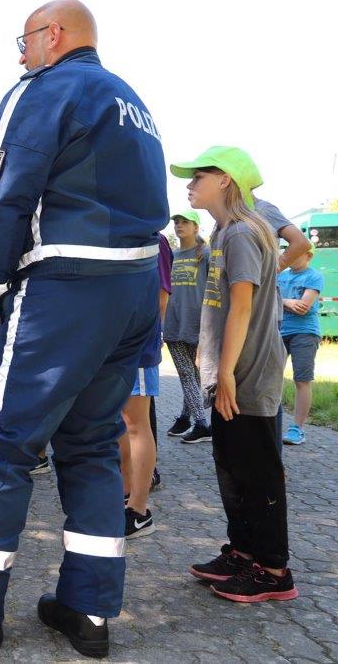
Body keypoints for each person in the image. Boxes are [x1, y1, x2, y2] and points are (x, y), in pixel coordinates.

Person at [0, 0, 168, 657]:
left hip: (67, 288)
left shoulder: (45, 89)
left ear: (54, 35)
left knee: (4, 443)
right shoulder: (134, 102)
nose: (21, 55)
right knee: (93, 445)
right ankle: (89, 611)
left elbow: (5, 191)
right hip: (131, 290)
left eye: (25, 40)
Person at [172, 146, 296, 603]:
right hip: (228, 372)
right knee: (233, 469)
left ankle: (273, 571)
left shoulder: (243, 232)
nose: (189, 185)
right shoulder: (225, 233)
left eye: (198, 176)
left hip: (247, 373)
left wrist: (225, 372)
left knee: (258, 472)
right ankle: (243, 553)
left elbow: (242, 306)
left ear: (225, 180)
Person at [119, 233, 172, 539]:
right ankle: (126, 495)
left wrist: (144, 337)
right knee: (119, 423)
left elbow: (161, 296)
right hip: (113, 345)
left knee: (135, 424)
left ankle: (139, 510)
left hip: (136, 346)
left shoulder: (155, 240)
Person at [164, 210, 212, 443]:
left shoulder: (206, 253)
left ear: (196, 227)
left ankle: (193, 420)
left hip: (199, 324)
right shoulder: (171, 256)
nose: (179, 225)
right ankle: (197, 422)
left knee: (194, 374)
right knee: (186, 373)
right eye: (177, 222)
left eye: (185, 222)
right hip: (173, 323)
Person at [278, 243, 323, 445]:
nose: (291, 255)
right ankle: (270, 423)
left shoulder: (314, 276)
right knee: (271, 378)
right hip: (278, 331)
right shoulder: (281, 275)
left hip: (305, 333)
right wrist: (287, 302)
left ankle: (297, 429)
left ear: (309, 255)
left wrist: (281, 301)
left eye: (296, 252)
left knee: (302, 380)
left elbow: (303, 308)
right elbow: (269, 300)